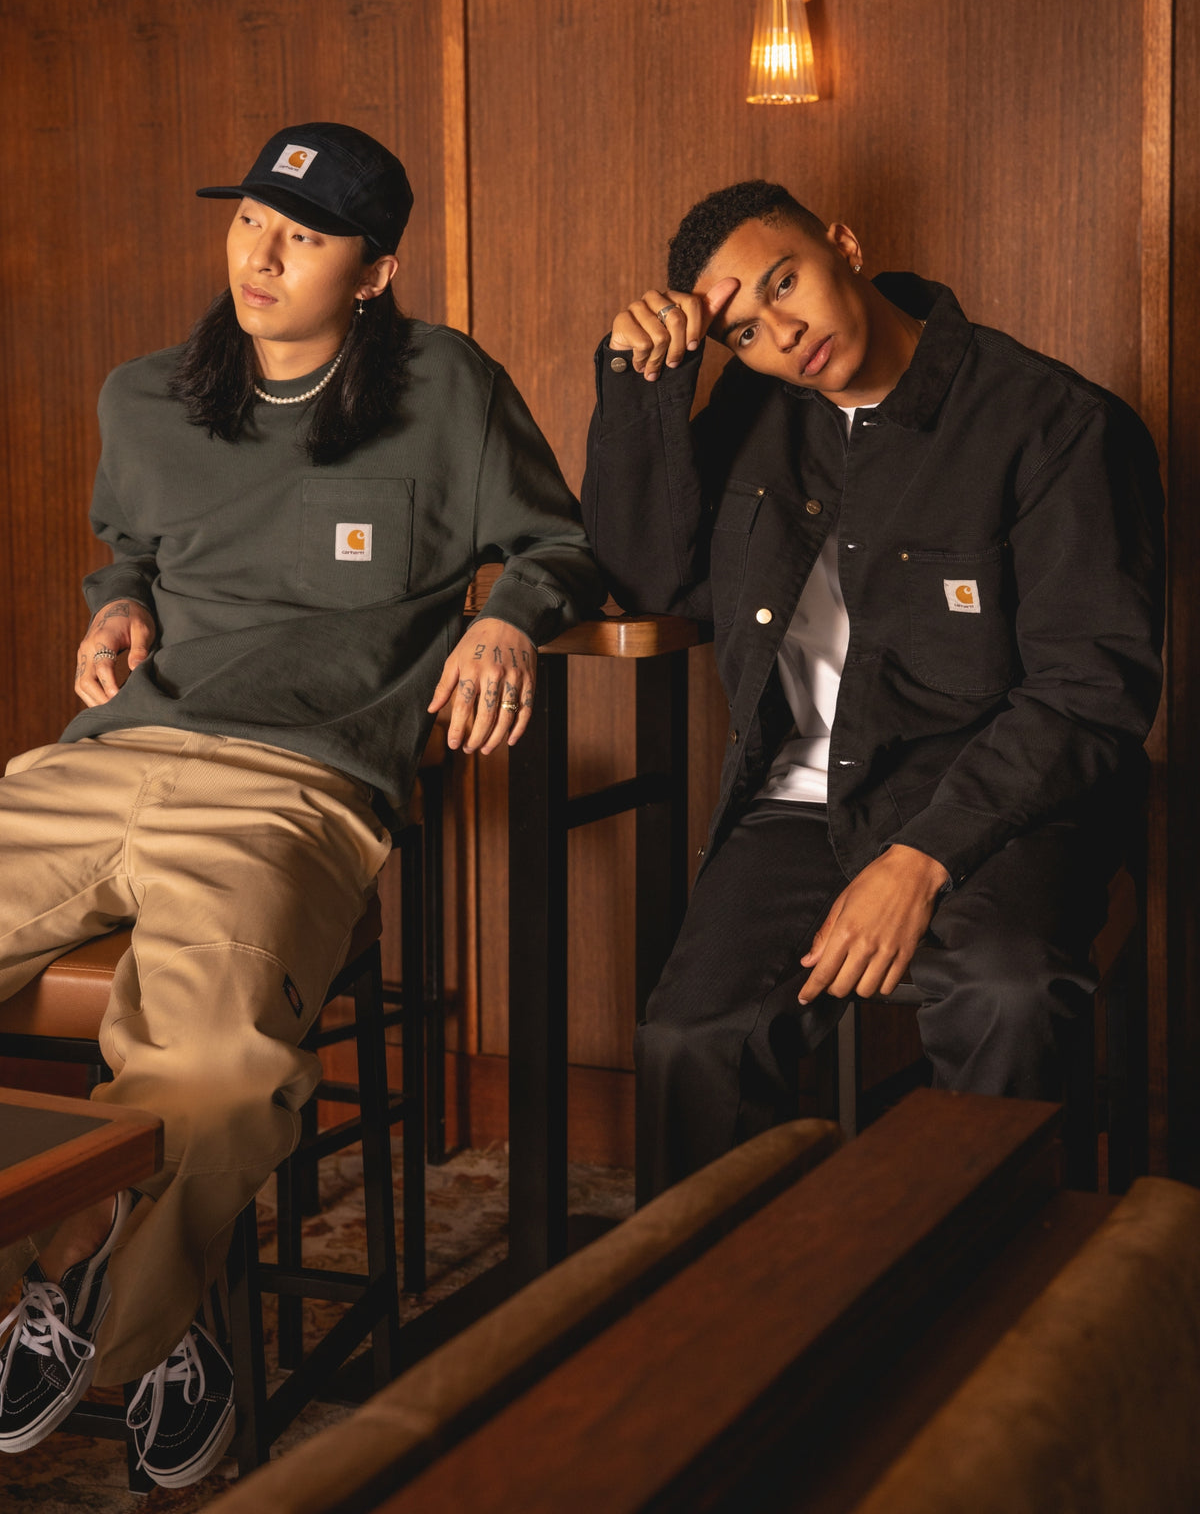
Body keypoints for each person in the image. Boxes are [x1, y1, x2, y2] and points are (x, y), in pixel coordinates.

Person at [0, 122, 602, 1486]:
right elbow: (130, 550)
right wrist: (116, 608)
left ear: (374, 271)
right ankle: (168, 1325)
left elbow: (558, 544)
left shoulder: (446, 388)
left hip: (292, 787)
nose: (261, 257)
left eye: (306, 237)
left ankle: (85, 1287)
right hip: (97, 765)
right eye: (251, 222)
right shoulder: (144, 396)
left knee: (214, 1067)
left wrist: (505, 618)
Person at [583, 180, 1163, 1200]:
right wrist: (644, 388)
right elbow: (649, 580)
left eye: (785, 283)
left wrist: (920, 859)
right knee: (689, 1038)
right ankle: (729, 1296)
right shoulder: (752, 415)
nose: (782, 334)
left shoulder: (1053, 421)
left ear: (844, 245)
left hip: (1003, 811)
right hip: (802, 805)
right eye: (744, 331)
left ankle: (988, 1280)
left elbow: (1089, 689)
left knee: (1006, 995)